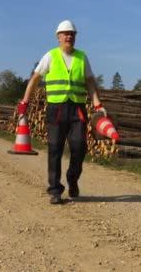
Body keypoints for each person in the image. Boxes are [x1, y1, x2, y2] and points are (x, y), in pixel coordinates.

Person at [18, 20, 107, 205]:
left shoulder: (82, 57)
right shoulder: (50, 56)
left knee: (79, 146)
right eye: (65, 33)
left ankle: (72, 179)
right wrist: (25, 101)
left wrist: (97, 105)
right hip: (56, 109)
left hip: (77, 109)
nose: (69, 36)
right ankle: (55, 190)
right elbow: (35, 79)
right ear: (58, 37)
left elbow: (90, 82)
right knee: (55, 149)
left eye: (72, 34)